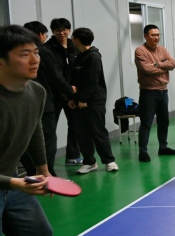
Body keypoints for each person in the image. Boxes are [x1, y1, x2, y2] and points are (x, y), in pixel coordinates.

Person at [0, 25, 58, 236]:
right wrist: (14, 183)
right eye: (24, 54)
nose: (35, 59)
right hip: (9, 182)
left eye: (36, 52)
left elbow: (34, 128)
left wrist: (43, 169)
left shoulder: (36, 91)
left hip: (12, 181)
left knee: (38, 235)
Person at [22, 21, 74, 176]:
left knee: (27, 139)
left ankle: (33, 173)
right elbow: (55, 77)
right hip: (44, 104)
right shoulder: (43, 52)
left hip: (23, 103)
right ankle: (47, 173)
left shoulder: (19, 53)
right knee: (46, 138)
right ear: (40, 35)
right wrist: (70, 90)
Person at [69, 28, 118, 174]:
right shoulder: (78, 56)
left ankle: (109, 161)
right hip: (79, 101)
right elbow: (74, 80)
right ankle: (89, 162)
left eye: (73, 37)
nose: (71, 39)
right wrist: (72, 98)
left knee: (98, 131)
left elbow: (92, 79)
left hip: (94, 101)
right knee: (82, 133)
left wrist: (84, 99)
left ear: (78, 39)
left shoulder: (93, 56)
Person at [134, 24, 175, 162]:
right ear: (145, 36)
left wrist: (157, 64)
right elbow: (146, 69)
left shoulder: (162, 49)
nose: (156, 37)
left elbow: (173, 64)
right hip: (148, 92)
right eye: (153, 35)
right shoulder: (140, 51)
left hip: (163, 91)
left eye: (158, 35)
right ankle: (143, 151)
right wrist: (164, 66)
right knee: (146, 122)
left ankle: (163, 147)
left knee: (164, 121)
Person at [43, 17, 82, 166]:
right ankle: (47, 163)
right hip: (55, 95)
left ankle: (73, 156)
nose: (62, 32)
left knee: (75, 125)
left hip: (73, 94)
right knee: (50, 129)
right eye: (58, 30)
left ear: (69, 30)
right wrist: (65, 90)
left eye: (65, 29)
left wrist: (74, 91)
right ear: (53, 31)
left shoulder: (74, 47)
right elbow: (53, 75)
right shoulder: (48, 49)